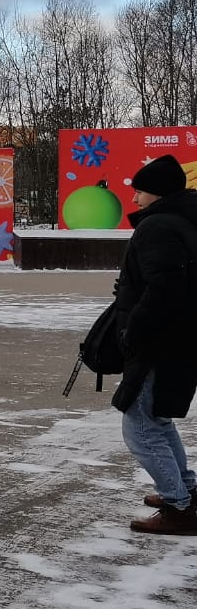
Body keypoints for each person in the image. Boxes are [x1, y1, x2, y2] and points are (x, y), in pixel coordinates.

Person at [111, 154, 197, 534]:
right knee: (158, 420)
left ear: (158, 193)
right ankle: (186, 491)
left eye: (140, 192)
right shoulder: (184, 221)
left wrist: (134, 330)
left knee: (140, 427)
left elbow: (165, 287)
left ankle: (180, 508)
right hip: (179, 338)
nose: (134, 200)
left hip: (158, 340)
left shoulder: (158, 226)